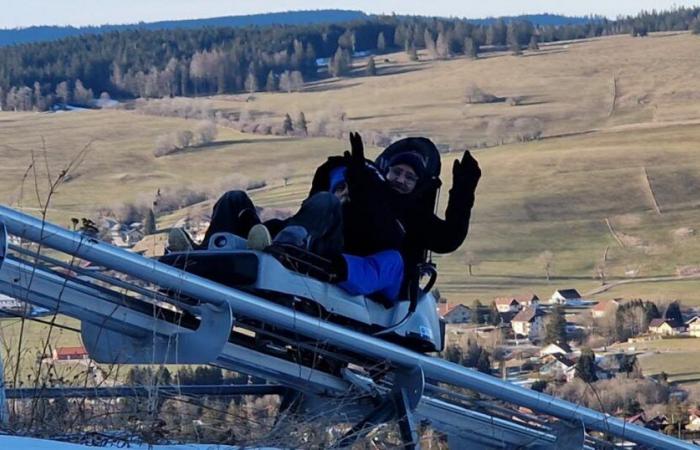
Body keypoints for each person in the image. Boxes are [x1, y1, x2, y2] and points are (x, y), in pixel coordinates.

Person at [168, 133, 405, 301]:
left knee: (325, 202)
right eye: (339, 187)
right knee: (234, 199)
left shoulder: (361, 229)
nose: (343, 193)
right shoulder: (314, 211)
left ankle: (283, 250)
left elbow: (374, 266)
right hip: (283, 239)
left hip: (318, 258)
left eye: (348, 190)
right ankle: (202, 254)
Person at [376, 137, 481, 286]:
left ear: (417, 184)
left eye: (409, 177)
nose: (400, 180)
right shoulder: (365, 201)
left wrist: (463, 190)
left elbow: (449, 238)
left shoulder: (416, 217)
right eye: (397, 172)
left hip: (395, 297)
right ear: (386, 172)